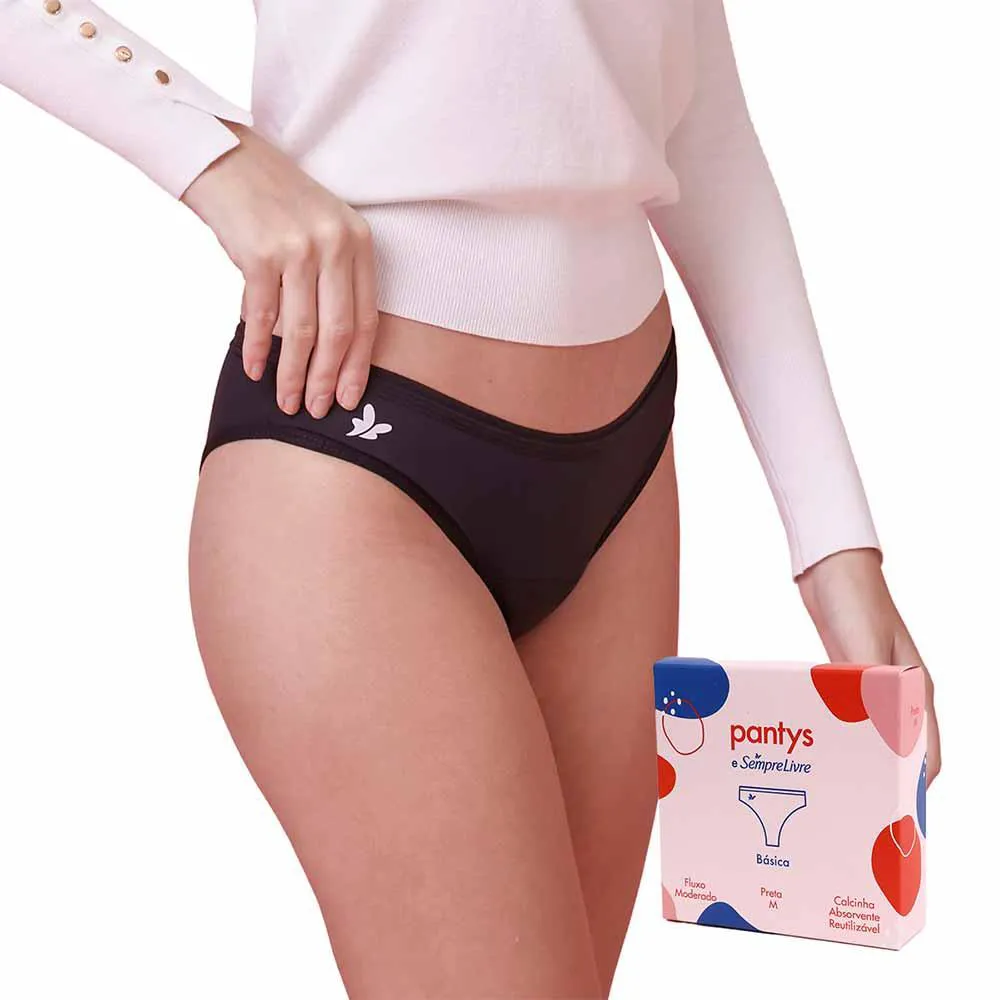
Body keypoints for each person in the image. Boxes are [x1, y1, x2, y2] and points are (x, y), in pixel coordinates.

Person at [1, 1, 941, 996]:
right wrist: (208, 149)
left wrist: (835, 548)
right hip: (359, 463)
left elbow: (699, 123)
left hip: (624, 479)